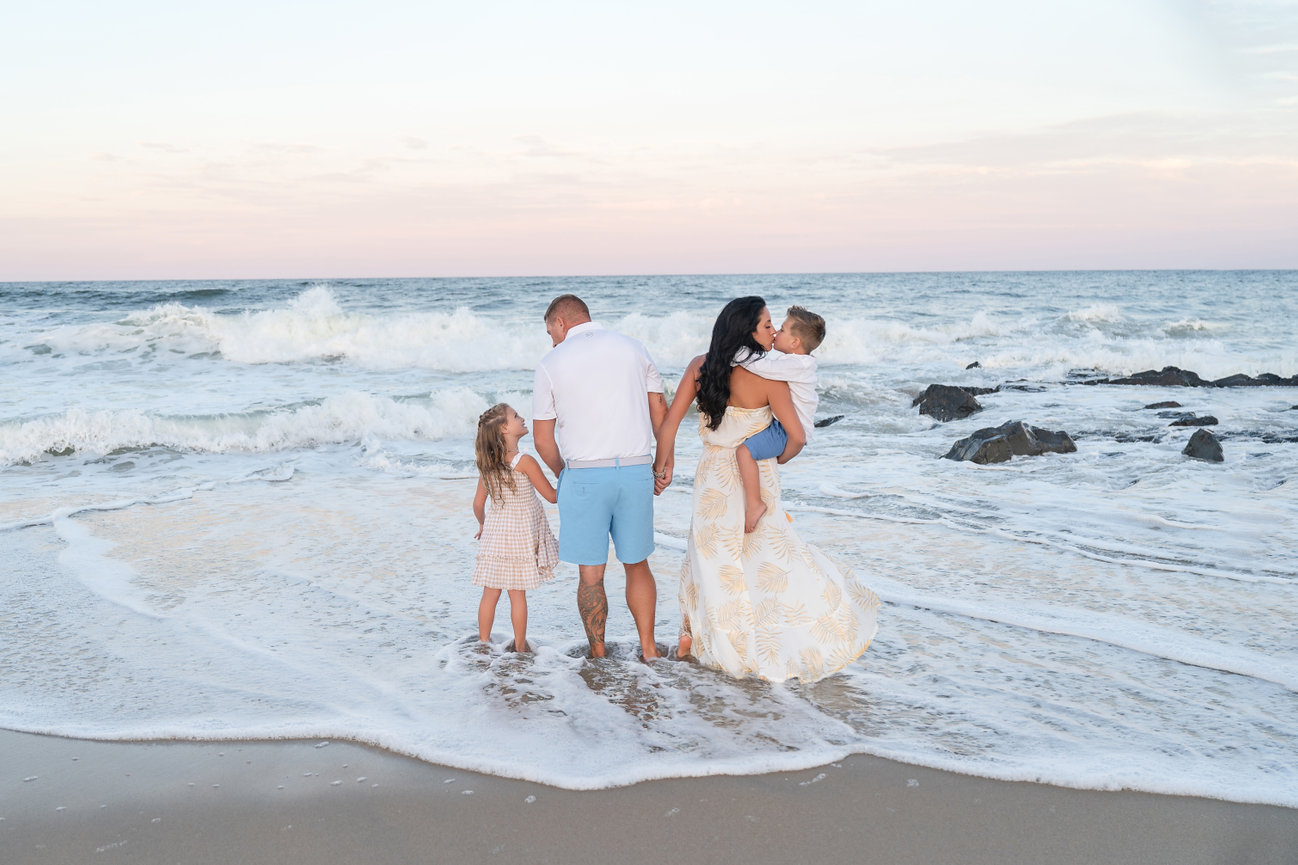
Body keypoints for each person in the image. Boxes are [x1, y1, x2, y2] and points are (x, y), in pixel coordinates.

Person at [654, 296, 879, 683]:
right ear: (747, 331)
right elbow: (796, 435)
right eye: (766, 325)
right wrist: (781, 459)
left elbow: (670, 424)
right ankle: (764, 642)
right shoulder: (770, 378)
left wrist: (663, 466)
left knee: (712, 562)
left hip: (712, 481)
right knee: (766, 562)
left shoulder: (698, 367)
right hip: (756, 474)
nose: (772, 331)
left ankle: (696, 638)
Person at [532, 294, 667, 661]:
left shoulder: (551, 362)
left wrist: (564, 474)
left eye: (551, 332)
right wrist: (664, 464)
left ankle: (598, 652)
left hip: (585, 476)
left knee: (591, 574)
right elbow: (661, 414)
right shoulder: (633, 348)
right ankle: (650, 650)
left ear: (560, 323)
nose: (552, 340)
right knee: (637, 565)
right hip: (636, 469)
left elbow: (542, 438)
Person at [471, 403, 559, 653]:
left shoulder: (488, 464)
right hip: (519, 536)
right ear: (504, 428)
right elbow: (552, 497)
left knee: (491, 592)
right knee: (517, 594)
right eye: (516, 416)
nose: (522, 418)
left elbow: (478, 504)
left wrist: (483, 524)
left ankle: (484, 642)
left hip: (495, 536)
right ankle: (520, 647)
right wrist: (573, 481)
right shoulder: (525, 461)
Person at [733, 305, 825, 532]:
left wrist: (737, 351)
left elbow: (762, 368)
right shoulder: (800, 363)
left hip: (787, 430)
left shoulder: (795, 364)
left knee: (744, 452)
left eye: (782, 330)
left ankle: (755, 504)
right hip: (787, 426)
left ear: (795, 343)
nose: (775, 332)